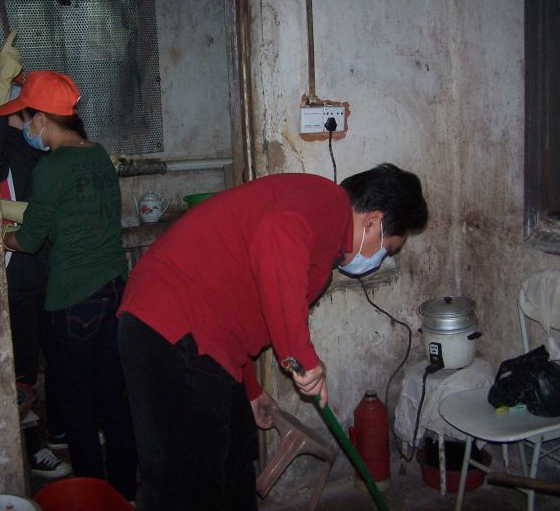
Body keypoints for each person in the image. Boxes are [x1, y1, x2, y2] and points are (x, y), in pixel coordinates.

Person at [117, 164, 428, 511]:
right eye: (389, 248)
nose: (381, 258)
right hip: (170, 325)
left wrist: (251, 389)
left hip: (200, 337)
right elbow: (277, 233)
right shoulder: (329, 203)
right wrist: (301, 356)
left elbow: (241, 311)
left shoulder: (324, 236)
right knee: (187, 486)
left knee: (236, 458)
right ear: (373, 220)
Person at [0, 70, 138, 503]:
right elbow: (77, 219)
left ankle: (92, 497)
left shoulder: (51, 168)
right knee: (113, 399)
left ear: (41, 119)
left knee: (77, 407)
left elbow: (31, 240)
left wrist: (4, 236)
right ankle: (124, 494)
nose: (25, 130)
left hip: (73, 299)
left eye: (25, 120)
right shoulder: (99, 155)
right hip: (114, 291)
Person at [0, 34, 70, 480]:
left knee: (58, 357)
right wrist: (0, 84)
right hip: (19, 274)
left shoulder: (44, 146)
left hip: (50, 272)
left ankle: (57, 429)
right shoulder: (2, 143)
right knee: (22, 366)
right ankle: (31, 445)